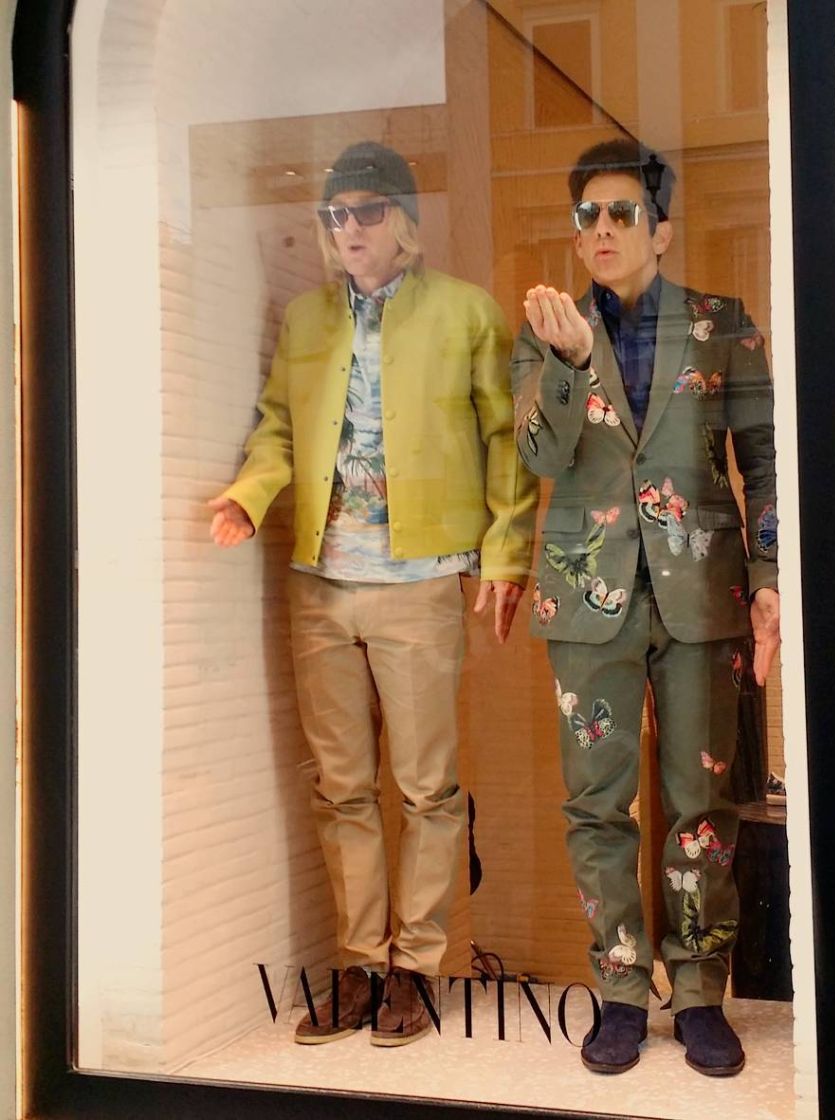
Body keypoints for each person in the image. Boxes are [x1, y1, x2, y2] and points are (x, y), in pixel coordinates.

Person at [209, 142, 537, 1048]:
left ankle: (416, 968)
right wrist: (250, 495)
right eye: (335, 215)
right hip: (320, 583)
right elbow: (278, 425)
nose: (348, 228)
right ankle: (358, 965)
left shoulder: (465, 312)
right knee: (340, 787)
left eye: (366, 211)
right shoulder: (306, 319)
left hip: (420, 582)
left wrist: (506, 556)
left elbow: (507, 441)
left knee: (427, 787)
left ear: (405, 222)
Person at [511, 138, 780, 1076]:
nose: (603, 229)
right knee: (597, 805)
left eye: (623, 212)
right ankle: (621, 989)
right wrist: (570, 362)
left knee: (703, 803)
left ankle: (700, 992)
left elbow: (766, 461)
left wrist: (770, 575)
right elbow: (541, 456)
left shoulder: (722, 324)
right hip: (589, 597)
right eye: (588, 214)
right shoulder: (546, 330)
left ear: (661, 230)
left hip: (704, 593)